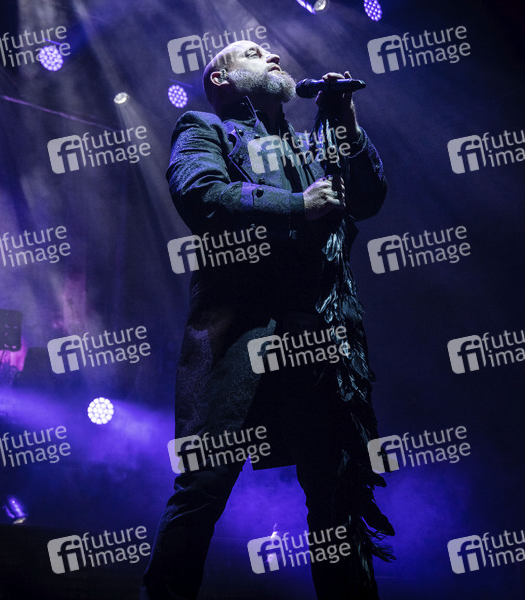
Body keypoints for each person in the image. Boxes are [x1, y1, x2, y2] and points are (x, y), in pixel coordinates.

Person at [142, 40, 392, 600]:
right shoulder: (205, 128)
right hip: (241, 336)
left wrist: (344, 117)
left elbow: (369, 196)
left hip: (318, 340)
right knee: (203, 487)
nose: (272, 55)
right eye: (253, 53)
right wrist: (298, 206)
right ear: (222, 79)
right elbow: (203, 195)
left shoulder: (312, 146)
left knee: (337, 494)